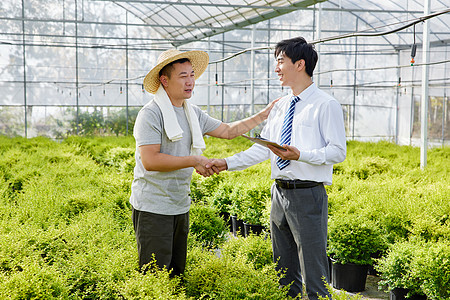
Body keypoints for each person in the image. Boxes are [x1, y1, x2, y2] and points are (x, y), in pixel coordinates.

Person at [205, 37, 347, 299]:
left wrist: (300, 154)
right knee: (283, 272)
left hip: (308, 195)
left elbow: (338, 151)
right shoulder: (280, 106)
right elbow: (262, 149)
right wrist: (226, 163)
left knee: (315, 275)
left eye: (280, 61)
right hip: (279, 194)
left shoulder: (325, 105)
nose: (276, 68)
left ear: (300, 64)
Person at [130, 49, 278, 276]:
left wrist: (263, 115)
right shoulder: (151, 114)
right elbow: (150, 161)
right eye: (183, 76)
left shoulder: (192, 113)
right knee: (155, 276)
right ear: (164, 80)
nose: (190, 82)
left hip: (180, 204)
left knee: (176, 274)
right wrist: (194, 160)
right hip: (153, 208)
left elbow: (228, 131)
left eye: (192, 75)